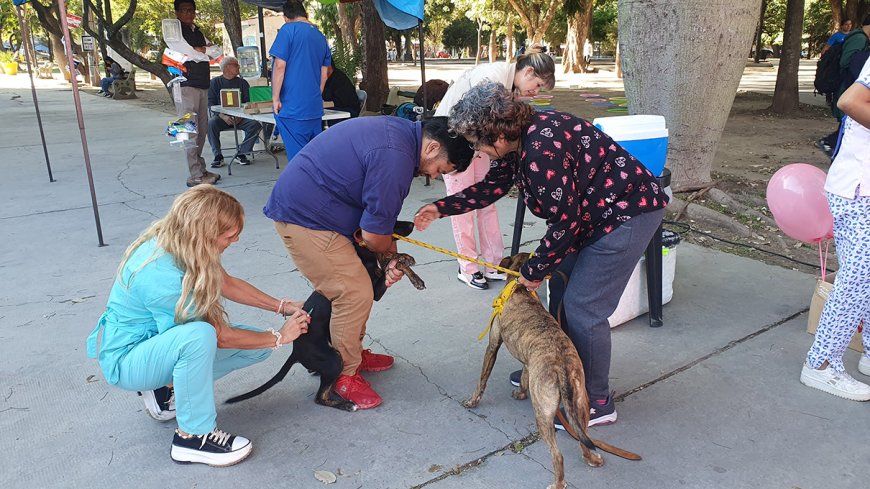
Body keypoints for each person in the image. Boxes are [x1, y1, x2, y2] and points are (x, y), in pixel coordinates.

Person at [414, 82, 668, 427]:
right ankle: (553, 371)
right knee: (560, 286)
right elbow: (493, 187)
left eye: (477, 144)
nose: (478, 152)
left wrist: (532, 270)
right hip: (592, 215)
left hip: (627, 214)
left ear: (496, 136)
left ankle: (595, 400)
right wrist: (441, 208)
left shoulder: (540, 150)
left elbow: (566, 221)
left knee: (584, 307)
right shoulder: (517, 140)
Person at [86, 185, 313, 466]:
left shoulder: (180, 240)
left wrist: (282, 307)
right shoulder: (162, 274)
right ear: (204, 233)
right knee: (199, 336)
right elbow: (221, 336)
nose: (237, 240)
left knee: (256, 347)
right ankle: (193, 437)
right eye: (230, 235)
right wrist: (281, 336)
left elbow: (226, 283)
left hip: (153, 345)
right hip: (127, 362)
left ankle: (164, 389)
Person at [264, 116, 474, 409]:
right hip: (305, 218)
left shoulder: (400, 138)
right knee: (354, 291)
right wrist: (388, 255)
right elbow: (375, 236)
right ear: (432, 147)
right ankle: (344, 376)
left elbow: (379, 226)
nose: (435, 176)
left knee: (360, 284)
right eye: (439, 169)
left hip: (320, 210)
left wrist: (388, 256)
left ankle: (351, 353)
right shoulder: (396, 158)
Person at [433, 51, 556, 290]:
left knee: (486, 202)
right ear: (528, 71)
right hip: (454, 141)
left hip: (480, 143)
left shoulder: (512, 89)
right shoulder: (493, 77)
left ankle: (494, 263)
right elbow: (480, 120)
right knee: (463, 206)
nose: (536, 92)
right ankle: (467, 267)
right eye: (537, 85)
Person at [800, 55, 870, 402]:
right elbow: (850, 101)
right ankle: (822, 364)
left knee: (865, 277)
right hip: (858, 189)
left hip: (860, 186)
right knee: (857, 279)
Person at [270, 0, 331, 161]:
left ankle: (301, 186)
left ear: (285, 17)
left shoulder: (287, 30)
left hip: (292, 107)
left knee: (298, 162)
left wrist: (275, 98)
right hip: (313, 108)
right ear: (306, 14)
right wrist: (315, 96)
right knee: (314, 157)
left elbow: (279, 66)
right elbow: (324, 74)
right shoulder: (320, 36)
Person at [171, 0, 222, 188]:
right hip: (184, 86)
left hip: (202, 85)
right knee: (187, 131)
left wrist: (202, 51)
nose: (188, 13)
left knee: (202, 130)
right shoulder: (174, 33)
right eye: (183, 10)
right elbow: (186, 53)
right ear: (176, 12)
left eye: (191, 10)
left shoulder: (197, 31)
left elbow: (217, 51)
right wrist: (202, 52)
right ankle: (194, 175)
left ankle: (200, 169)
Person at [818, 15, 870, 158]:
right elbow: (846, 62)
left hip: (852, 89)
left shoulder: (860, 38)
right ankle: (830, 144)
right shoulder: (859, 39)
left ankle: (831, 145)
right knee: (847, 126)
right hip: (848, 88)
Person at [207, 56, 262, 167]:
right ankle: (218, 156)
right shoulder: (214, 83)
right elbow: (210, 103)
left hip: (240, 117)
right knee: (211, 123)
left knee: (255, 125)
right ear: (227, 67)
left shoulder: (243, 83)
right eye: (236, 65)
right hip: (222, 118)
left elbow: (248, 102)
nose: (239, 67)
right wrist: (222, 116)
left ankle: (242, 153)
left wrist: (240, 116)